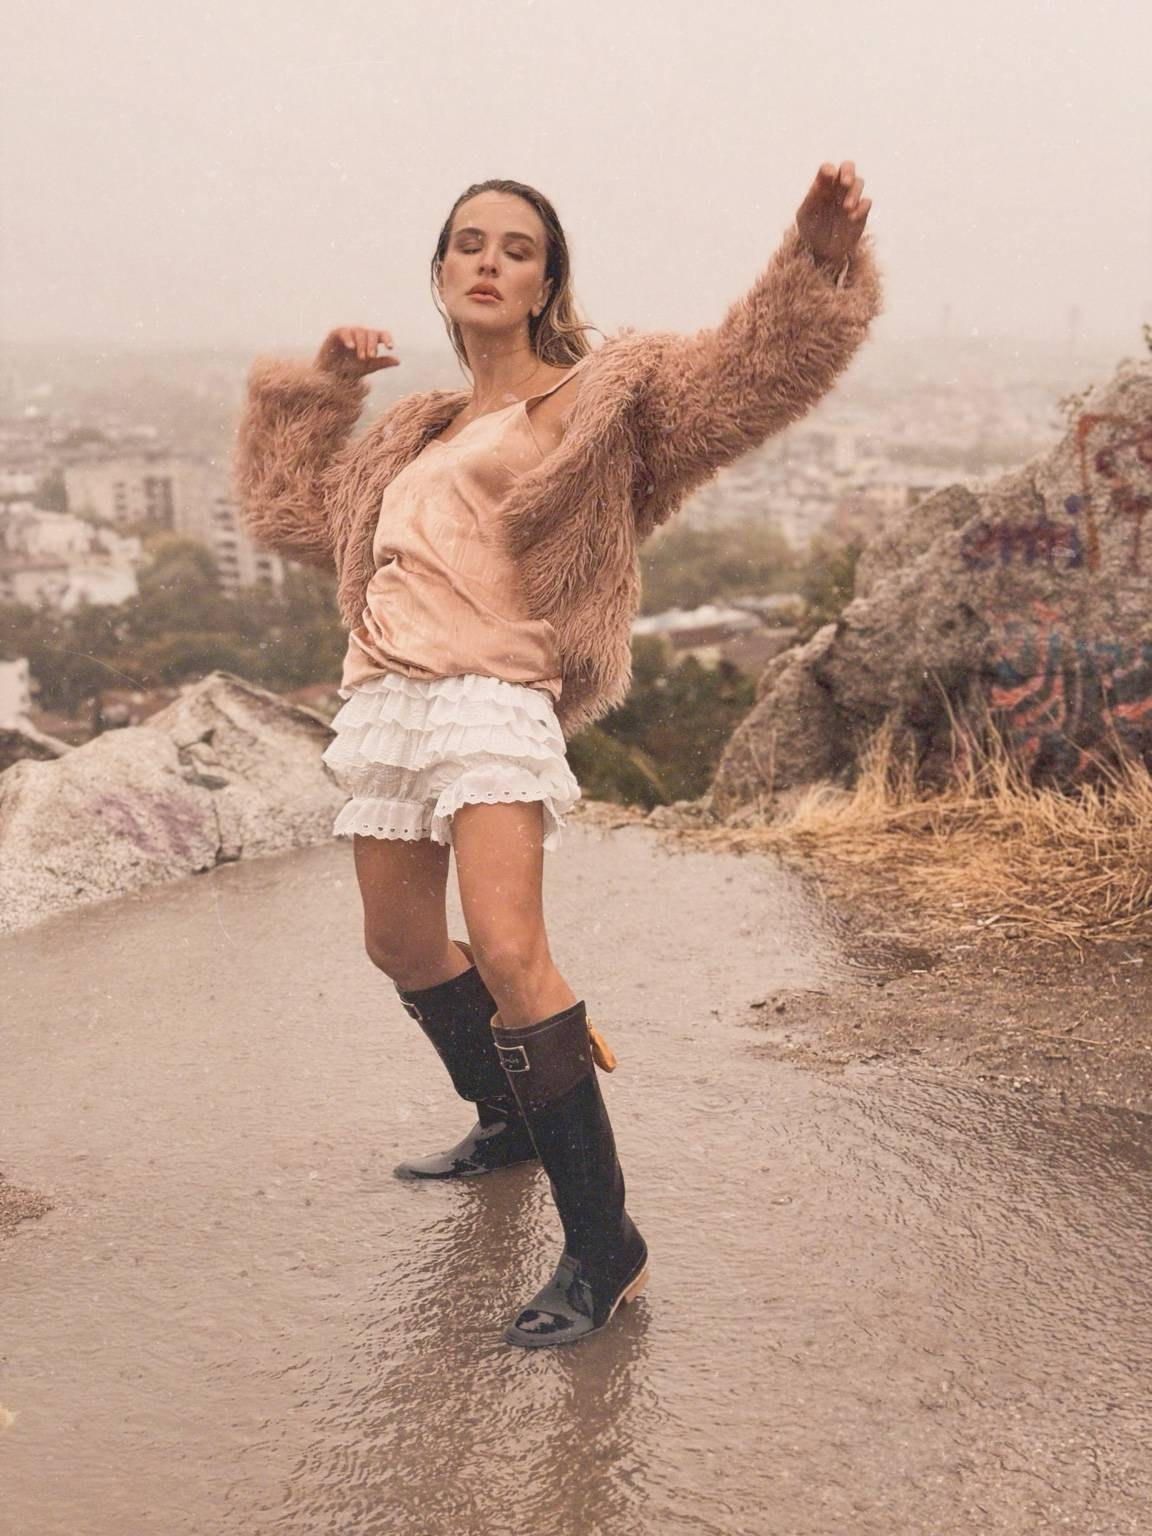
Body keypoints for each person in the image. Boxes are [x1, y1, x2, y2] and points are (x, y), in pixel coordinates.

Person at [232, 165, 882, 1348]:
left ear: (546, 279)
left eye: (517, 248)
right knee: (400, 942)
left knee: (518, 950)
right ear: (440, 273)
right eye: (469, 243)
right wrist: (321, 388)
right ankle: (510, 1118)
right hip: (389, 697)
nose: (490, 261)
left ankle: (606, 1248)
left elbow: (743, 378)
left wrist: (815, 260)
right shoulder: (416, 429)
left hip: (494, 695)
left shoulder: (603, 402)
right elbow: (291, 512)